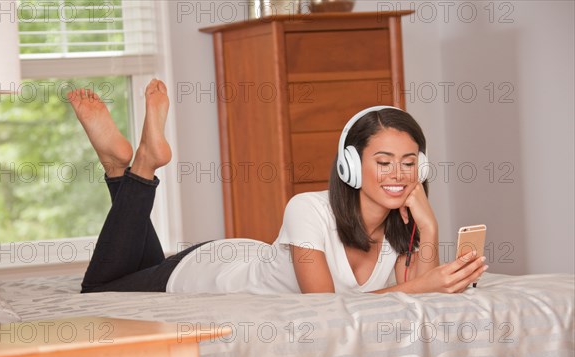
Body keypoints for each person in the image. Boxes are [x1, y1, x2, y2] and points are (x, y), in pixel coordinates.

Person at [70, 79, 487, 295]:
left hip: (246, 255)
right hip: (210, 273)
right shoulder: (307, 209)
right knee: (98, 290)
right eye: (383, 162)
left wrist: (429, 229)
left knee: (134, 266)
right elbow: (325, 309)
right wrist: (419, 286)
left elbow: (423, 298)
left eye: (409, 163)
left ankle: (118, 167)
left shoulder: (401, 231)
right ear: (351, 165)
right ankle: (138, 165)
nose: (398, 174)